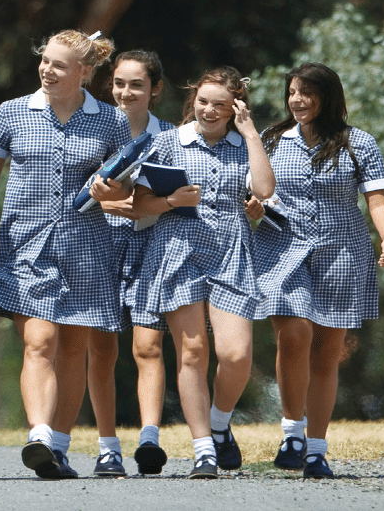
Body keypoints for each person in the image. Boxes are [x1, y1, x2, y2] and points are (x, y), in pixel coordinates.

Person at [0, 29, 128, 480]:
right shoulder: (12, 113)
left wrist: (113, 187)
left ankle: (57, 445)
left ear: (84, 72)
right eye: (44, 61)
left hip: (88, 246)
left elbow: (126, 184)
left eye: (58, 64)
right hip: (26, 245)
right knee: (40, 341)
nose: (46, 69)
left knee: (74, 347)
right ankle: (38, 434)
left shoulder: (111, 121)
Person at [122, 68, 273, 479]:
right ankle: (203, 447)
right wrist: (171, 200)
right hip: (177, 249)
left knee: (236, 354)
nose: (209, 110)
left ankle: (220, 423)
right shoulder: (169, 142)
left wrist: (252, 133)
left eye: (220, 104)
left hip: (230, 250)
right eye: (203, 101)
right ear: (194, 99)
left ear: (235, 106)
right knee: (192, 352)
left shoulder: (245, 145)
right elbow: (139, 206)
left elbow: (263, 190)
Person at [249, 63, 384, 480]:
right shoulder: (273, 139)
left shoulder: (358, 143)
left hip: (342, 252)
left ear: (328, 97)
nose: (297, 100)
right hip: (283, 246)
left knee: (327, 352)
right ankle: (291, 433)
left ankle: (316, 449)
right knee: (293, 335)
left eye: (307, 93)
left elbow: (377, 199)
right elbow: (256, 190)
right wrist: (254, 208)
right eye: (293, 92)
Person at [88, 50, 173, 477]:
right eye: (119, 83)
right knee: (101, 347)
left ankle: (149, 440)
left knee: (148, 346)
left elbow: (176, 196)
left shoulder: (171, 136)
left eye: (136, 84)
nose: (125, 92)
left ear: (154, 89)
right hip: (99, 244)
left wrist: (132, 203)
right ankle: (107, 447)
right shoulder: (96, 127)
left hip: (151, 245)